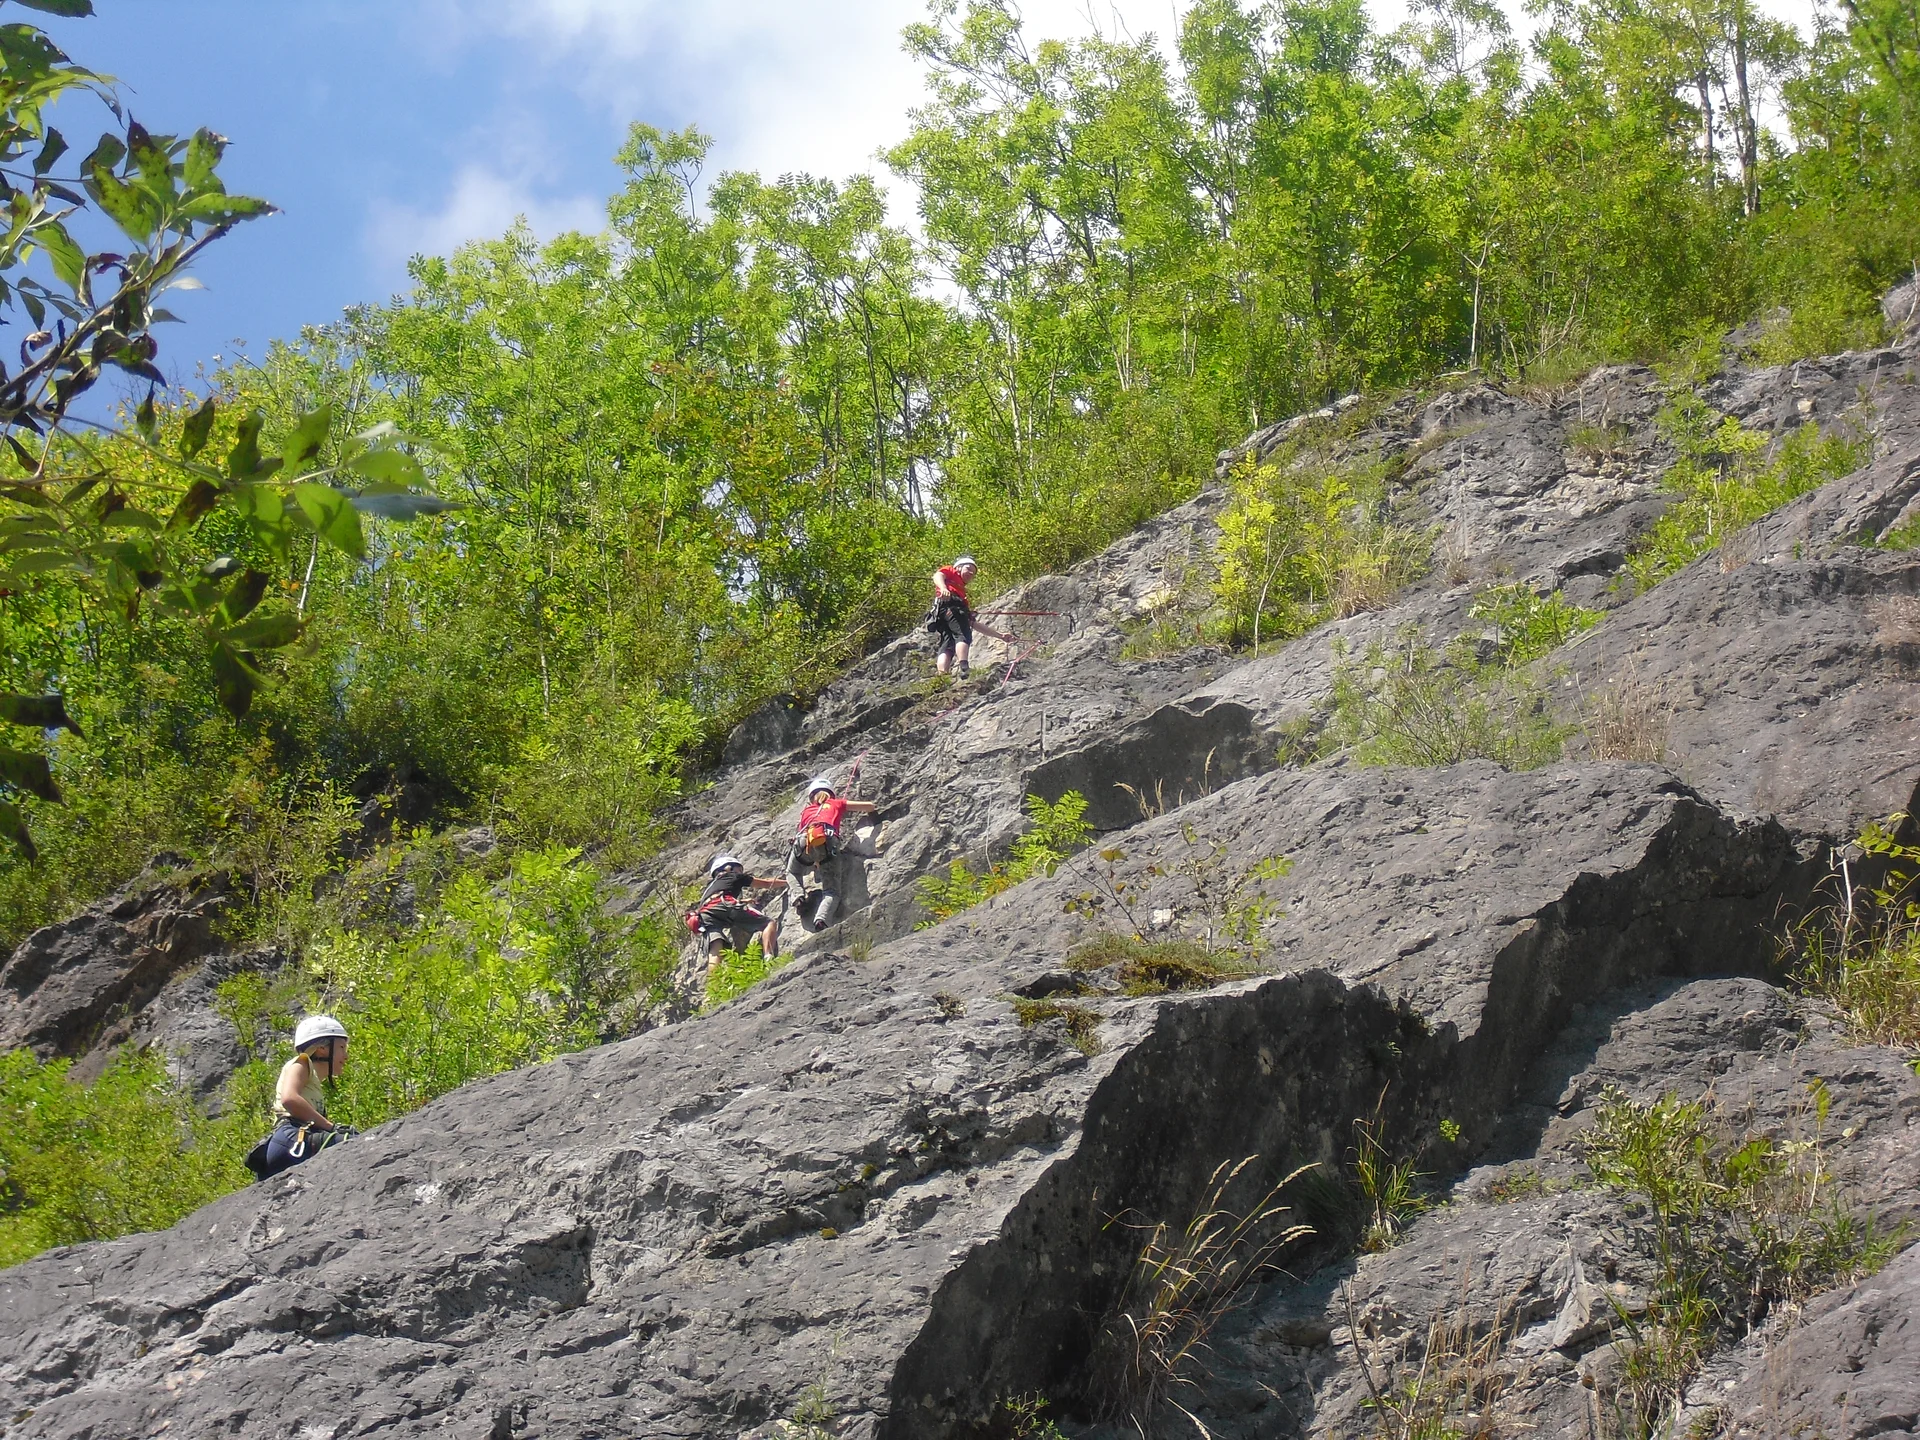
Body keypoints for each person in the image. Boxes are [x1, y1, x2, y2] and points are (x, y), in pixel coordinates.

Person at [250, 1014, 356, 1180]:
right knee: (353, 1141)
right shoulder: (302, 1063)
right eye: (342, 1048)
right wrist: (330, 1127)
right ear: (322, 1048)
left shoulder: (312, 1081)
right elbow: (289, 1098)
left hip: (289, 1142)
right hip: (292, 1137)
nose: (346, 1056)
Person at [786, 776, 878, 930]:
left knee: (792, 872)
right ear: (831, 793)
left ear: (811, 796)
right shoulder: (837, 803)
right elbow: (869, 806)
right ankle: (821, 920)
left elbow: (807, 833)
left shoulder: (806, 810)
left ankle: (798, 897)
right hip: (828, 844)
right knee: (831, 891)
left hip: (803, 842)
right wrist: (873, 814)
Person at [689, 854, 784, 979]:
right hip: (724, 905)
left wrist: (743, 901)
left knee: (716, 947)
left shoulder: (710, 888)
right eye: (738, 869)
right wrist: (787, 882)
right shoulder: (733, 875)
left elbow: (716, 900)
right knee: (768, 923)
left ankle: (713, 983)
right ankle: (768, 959)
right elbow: (766, 884)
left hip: (705, 914)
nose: (740, 872)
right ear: (728, 867)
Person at [928, 555, 1011, 678]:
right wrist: (943, 588)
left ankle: (942, 677)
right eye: (968, 568)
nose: (971, 573)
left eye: (973, 572)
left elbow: (974, 625)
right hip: (952, 606)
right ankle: (964, 667)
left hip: (942, 613)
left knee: (948, 644)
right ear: (959, 567)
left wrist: (1000, 636)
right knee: (962, 635)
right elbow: (937, 575)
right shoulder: (951, 571)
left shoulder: (960, 589)